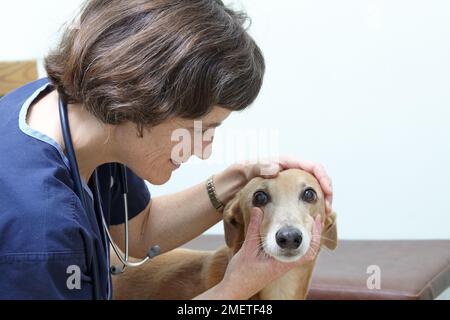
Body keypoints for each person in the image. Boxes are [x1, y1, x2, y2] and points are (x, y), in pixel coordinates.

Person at [0, 0, 333, 300]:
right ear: (145, 97)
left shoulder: (65, 111)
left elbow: (139, 230)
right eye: (199, 129)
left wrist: (239, 179)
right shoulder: (40, 234)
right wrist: (234, 289)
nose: (203, 151)